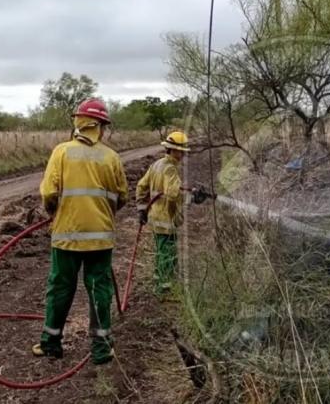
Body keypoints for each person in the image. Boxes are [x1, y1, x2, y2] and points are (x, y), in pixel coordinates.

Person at [32, 98, 129, 365]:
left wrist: (55, 211)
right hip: (101, 237)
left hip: (66, 237)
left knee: (60, 288)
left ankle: (51, 344)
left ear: (79, 122)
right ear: (100, 126)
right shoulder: (111, 157)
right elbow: (122, 196)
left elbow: (49, 192)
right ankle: (101, 349)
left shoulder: (62, 152)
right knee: (100, 289)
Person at [136, 131, 207, 294]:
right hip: (166, 219)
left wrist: (142, 210)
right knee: (168, 254)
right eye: (181, 151)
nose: (182, 155)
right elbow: (173, 193)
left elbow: (141, 186)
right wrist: (192, 198)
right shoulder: (170, 169)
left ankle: (158, 280)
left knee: (161, 252)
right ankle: (165, 289)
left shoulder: (157, 164)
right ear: (172, 150)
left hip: (155, 217)